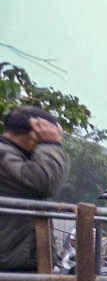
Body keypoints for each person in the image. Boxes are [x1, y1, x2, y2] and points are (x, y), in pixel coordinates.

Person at [0, 106, 69, 271]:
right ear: (35, 132)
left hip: (15, 260)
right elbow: (44, 182)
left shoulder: (16, 156)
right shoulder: (3, 155)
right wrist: (51, 144)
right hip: (9, 264)